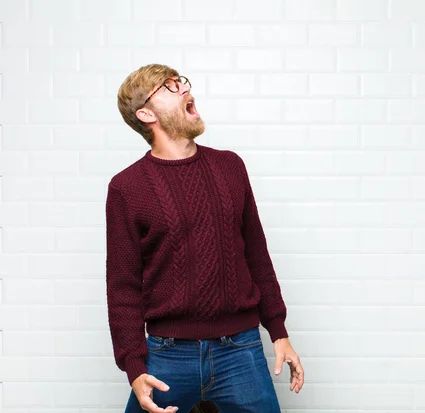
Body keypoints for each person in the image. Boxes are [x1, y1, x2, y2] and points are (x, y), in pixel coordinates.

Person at [106, 63, 304, 413]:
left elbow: (256, 254)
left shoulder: (231, 167)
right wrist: (134, 368)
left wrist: (279, 331)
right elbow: (123, 287)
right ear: (145, 113)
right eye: (168, 87)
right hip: (167, 355)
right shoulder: (126, 188)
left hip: (240, 350)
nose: (183, 88)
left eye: (180, 81)